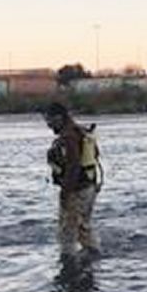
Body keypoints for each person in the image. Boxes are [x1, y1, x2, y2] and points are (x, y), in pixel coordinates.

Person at [43, 102, 103, 256]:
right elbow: (95, 155)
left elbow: (73, 165)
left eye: (49, 121)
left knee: (67, 232)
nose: (48, 125)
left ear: (59, 117)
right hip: (89, 186)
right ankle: (93, 257)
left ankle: (68, 264)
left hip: (76, 190)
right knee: (84, 228)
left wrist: (65, 192)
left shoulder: (69, 136)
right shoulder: (81, 132)